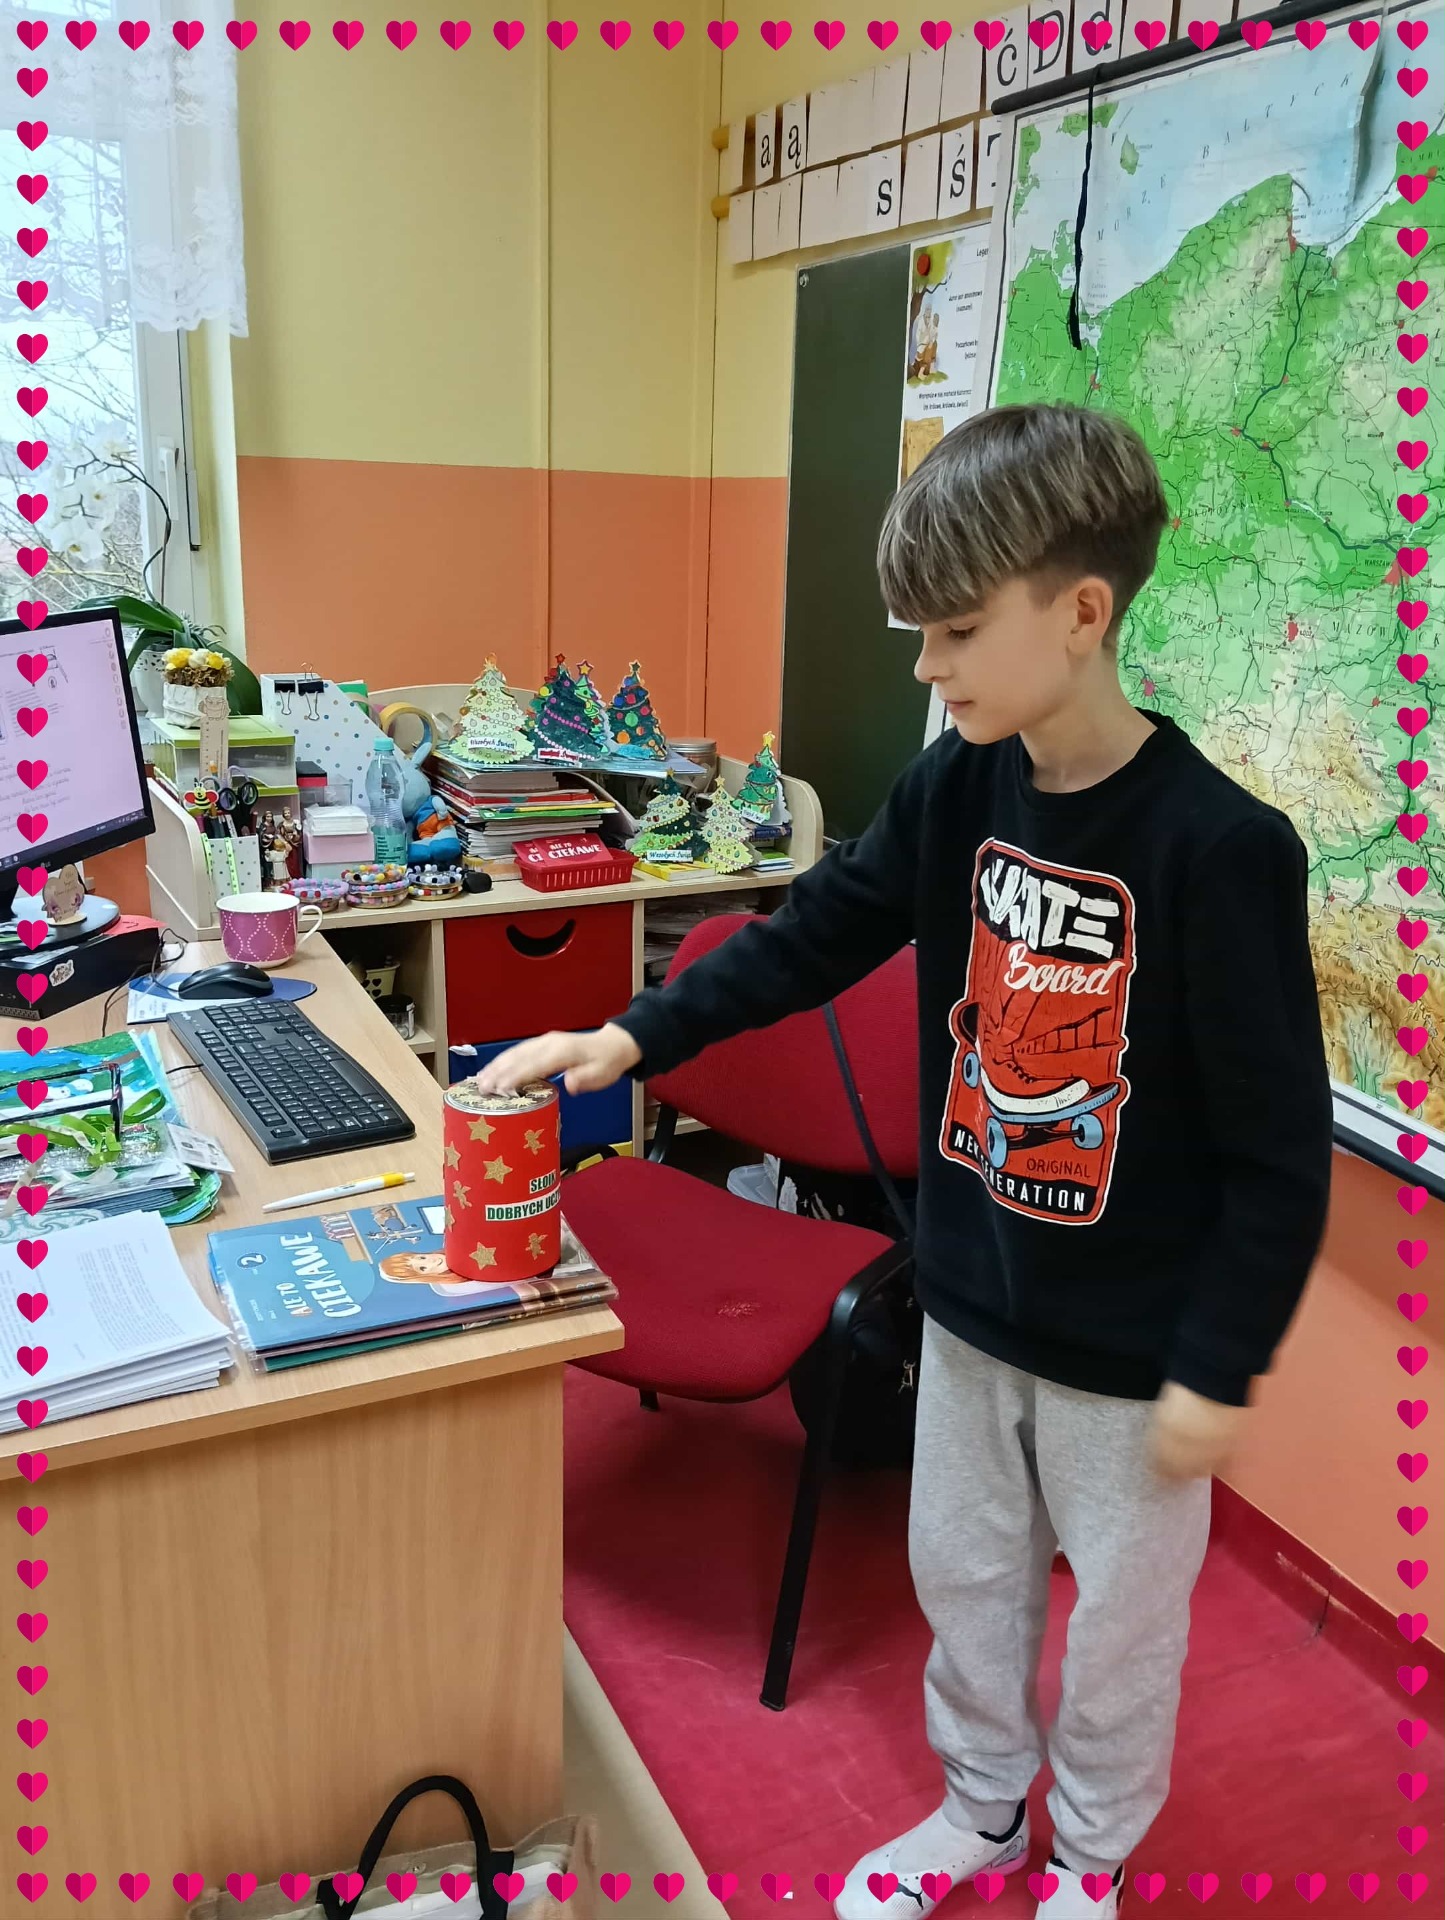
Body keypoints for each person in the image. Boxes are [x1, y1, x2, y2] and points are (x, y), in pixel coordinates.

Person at [477, 405, 1333, 1920]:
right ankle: (981, 1811)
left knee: (1121, 1637)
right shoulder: (958, 788)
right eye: (919, 634)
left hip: (1133, 1356)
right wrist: (629, 1037)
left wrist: (1217, 1362)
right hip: (970, 1302)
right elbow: (812, 934)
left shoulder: (1221, 849)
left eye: (954, 632)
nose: (927, 669)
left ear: (1082, 613)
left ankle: (1088, 1863)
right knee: (968, 1582)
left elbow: (1276, 1154)